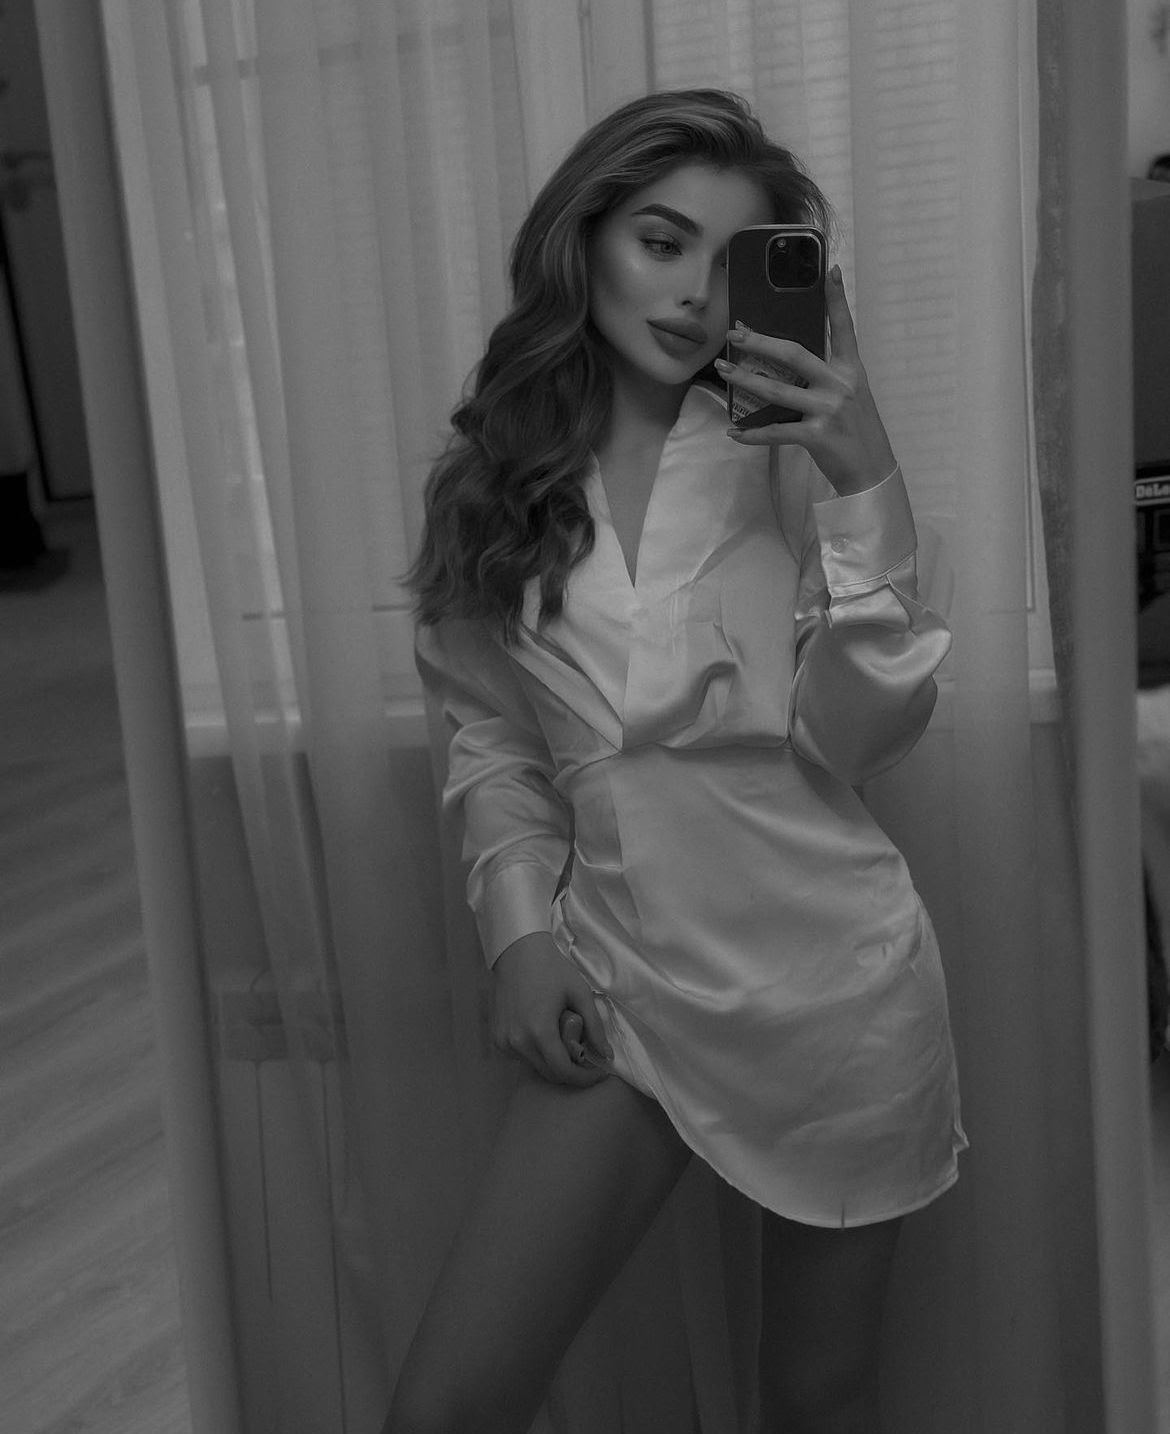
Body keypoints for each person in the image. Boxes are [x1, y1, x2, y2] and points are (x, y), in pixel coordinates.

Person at [386, 89, 967, 1434]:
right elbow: (492, 737)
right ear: (583, 239)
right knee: (448, 1406)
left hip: (836, 986)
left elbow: (859, 735)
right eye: (661, 242)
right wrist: (517, 934)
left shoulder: (791, 455)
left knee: (815, 1403)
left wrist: (863, 473)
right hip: (629, 976)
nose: (698, 295)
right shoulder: (492, 480)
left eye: (733, 261)